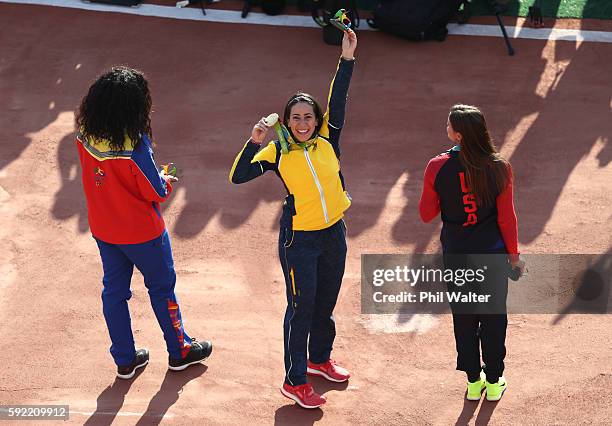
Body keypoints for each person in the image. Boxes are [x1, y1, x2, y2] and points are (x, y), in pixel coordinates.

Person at [229, 29, 357, 409]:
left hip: (334, 232)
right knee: (301, 307)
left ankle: (319, 359)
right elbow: (238, 175)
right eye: (295, 118)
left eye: (309, 117)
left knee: (325, 303)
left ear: (318, 120)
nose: (303, 123)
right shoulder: (276, 150)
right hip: (300, 239)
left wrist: (346, 59)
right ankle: (294, 380)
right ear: (285, 121)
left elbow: (339, 96)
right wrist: (253, 141)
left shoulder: (327, 140)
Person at [75, 66, 212, 379]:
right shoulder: (136, 146)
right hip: (143, 234)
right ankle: (180, 351)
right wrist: (165, 178)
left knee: (114, 292)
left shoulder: (85, 137)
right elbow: (156, 191)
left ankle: (125, 359)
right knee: (162, 290)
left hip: (104, 230)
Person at [418, 104, 526, 402]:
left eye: (448, 125)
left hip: (457, 257)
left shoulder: (436, 166)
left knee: (464, 319)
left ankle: (473, 381)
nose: (446, 128)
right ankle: (494, 382)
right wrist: (514, 257)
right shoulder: (500, 167)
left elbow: (426, 214)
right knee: (493, 319)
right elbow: (507, 218)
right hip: (492, 257)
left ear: (459, 135)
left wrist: (446, 197)